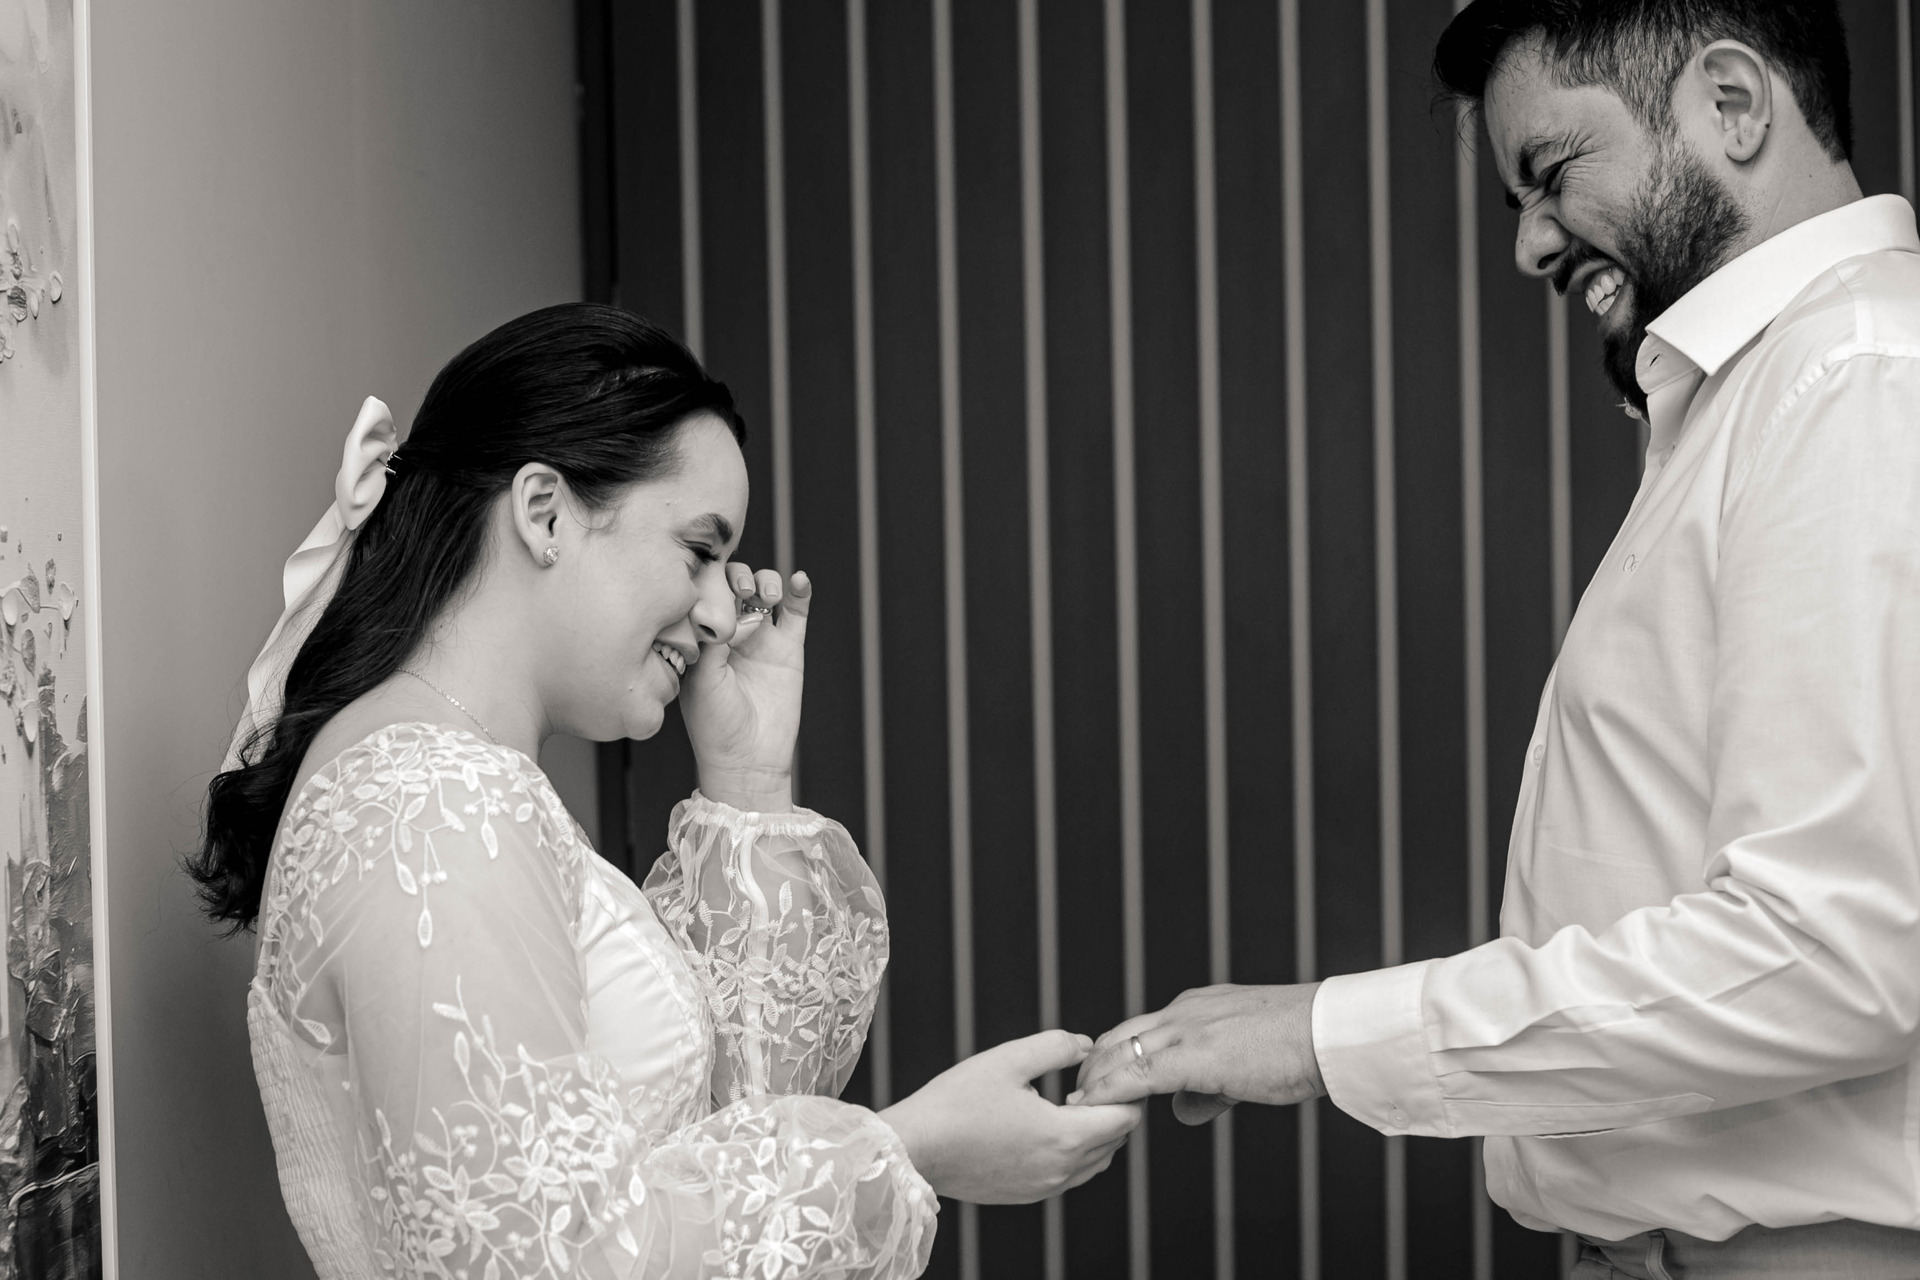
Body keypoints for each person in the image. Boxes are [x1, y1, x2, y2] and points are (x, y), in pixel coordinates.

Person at [1072, 1, 1920, 1274]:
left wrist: (1322, 1035)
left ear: (1733, 104)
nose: (1528, 243)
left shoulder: (1852, 377)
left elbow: (1828, 952)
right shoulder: (1776, 392)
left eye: (1554, 170)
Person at [190, 304, 1141, 1279]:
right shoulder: (435, 804)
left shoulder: (444, 782)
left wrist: (748, 775)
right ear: (544, 511)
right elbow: (553, 1261)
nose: (724, 607)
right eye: (699, 551)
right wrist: (911, 1144)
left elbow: (712, 1128)